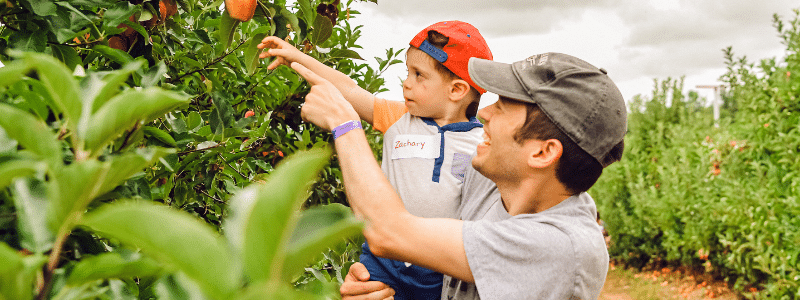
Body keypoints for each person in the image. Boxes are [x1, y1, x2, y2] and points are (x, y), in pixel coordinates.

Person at [292, 51, 627, 299]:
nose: (484, 112)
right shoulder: (498, 184)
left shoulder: (561, 248)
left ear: (542, 152)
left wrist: (345, 124)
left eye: (504, 107)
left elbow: (387, 231)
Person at [259, 21, 493, 299]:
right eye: (408, 71)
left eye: (419, 75)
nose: (407, 82)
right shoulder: (399, 118)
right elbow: (348, 90)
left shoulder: (483, 145)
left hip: (439, 265)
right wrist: (295, 56)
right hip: (383, 259)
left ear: (456, 90)